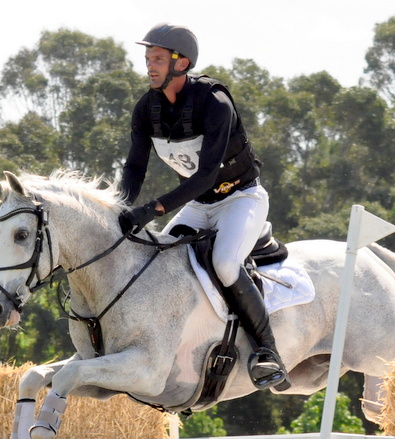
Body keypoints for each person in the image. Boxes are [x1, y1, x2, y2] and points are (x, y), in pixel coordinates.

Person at [118, 22, 288, 390]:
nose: (150, 65)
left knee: (225, 264)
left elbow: (208, 174)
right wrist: (118, 208)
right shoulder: (146, 109)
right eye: (148, 58)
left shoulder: (215, 103)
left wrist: (155, 209)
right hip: (198, 203)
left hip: (240, 198)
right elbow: (134, 167)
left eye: (158, 59)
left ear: (182, 63)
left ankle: (267, 353)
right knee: (157, 263)